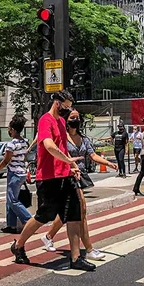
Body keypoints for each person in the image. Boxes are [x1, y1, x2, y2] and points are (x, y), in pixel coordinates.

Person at [9, 91, 95, 271]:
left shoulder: (62, 122)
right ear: (57, 103)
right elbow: (49, 146)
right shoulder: (45, 121)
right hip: (48, 178)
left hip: (66, 175)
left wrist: (71, 166)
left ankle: (75, 257)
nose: (68, 110)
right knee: (44, 215)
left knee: (74, 215)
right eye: (66, 106)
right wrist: (68, 160)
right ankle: (18, 246)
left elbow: (63, 148)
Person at [42, 109, 117, 261]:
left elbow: (93, 155)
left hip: (80, 175)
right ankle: (88, 248)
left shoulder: (84, 139)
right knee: (81, 211)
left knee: (66, 214)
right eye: (72, 117)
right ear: (66, 120)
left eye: (77, 117)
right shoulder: (62, 137)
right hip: (67, 176)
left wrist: (108, 163)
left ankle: (48, 236)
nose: (75, 119)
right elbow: (57, 153)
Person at [0, 114, 31, 235]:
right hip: (21, 172)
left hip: (14, 173)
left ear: (13, 129)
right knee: (10, 200)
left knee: (13, 200)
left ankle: (29, 220)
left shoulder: (11, 144)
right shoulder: (25, 142)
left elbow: (6, 160)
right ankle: (11, 225)